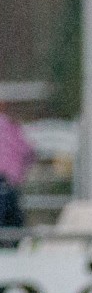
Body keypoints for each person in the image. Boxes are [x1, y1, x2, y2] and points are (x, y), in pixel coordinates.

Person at [0, 103, 33, 244]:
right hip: (9, 184)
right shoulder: (12, 127)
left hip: (5, 183)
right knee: (14, 232)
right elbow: (28, 152)